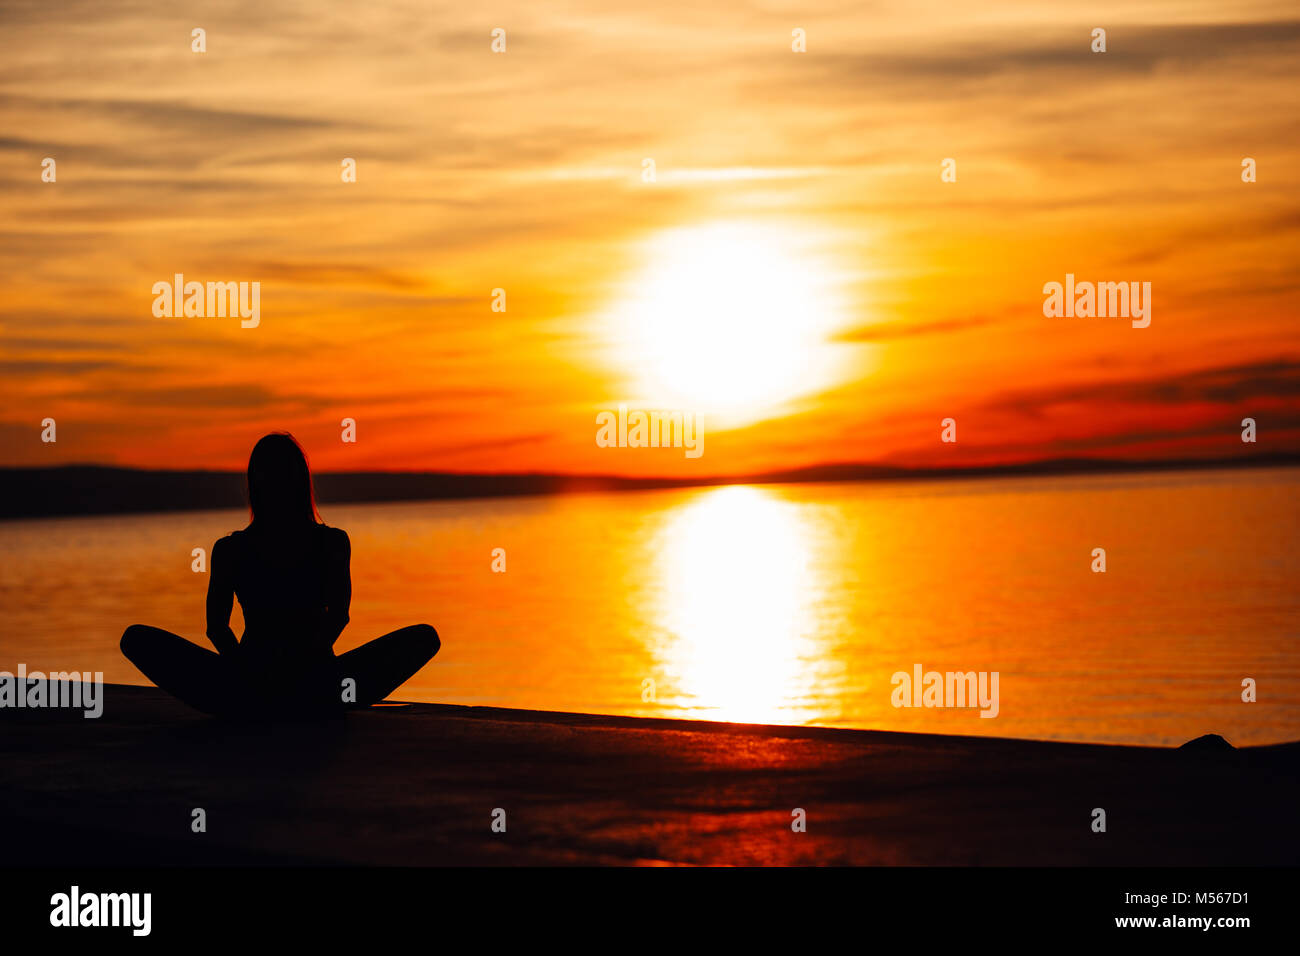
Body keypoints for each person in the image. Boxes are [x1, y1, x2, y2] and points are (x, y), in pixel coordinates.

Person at [121, 432, 439, 717]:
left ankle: (260, 698)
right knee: (423, 638)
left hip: (259, 686)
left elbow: (218, 629)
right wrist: (294, 664)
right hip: (313, 685)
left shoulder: (235, 549)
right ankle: (283, 697)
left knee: (137, 639)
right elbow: (338, 616)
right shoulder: (330, 542)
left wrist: (246, 669)